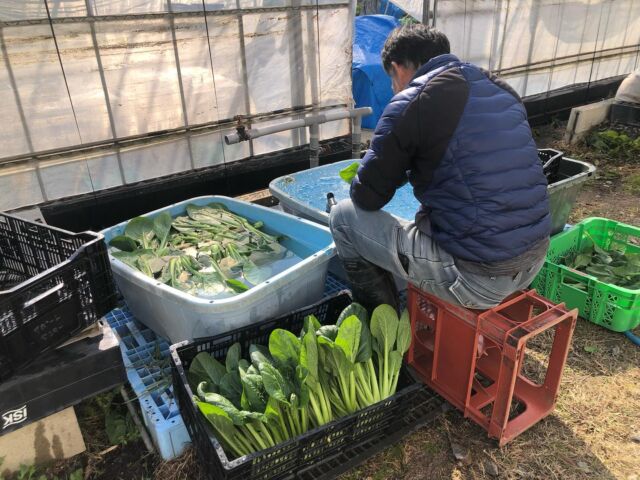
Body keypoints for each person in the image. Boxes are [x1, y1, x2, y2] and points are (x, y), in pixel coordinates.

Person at [329, 24, 550, 312]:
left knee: (343, 218)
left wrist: (381, 159)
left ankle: (383, 324)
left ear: (397, 68)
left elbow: (367, 197)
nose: (394, 88)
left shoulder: (412, 101)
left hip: (478, 277)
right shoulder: (498, 88)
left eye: (392, 80)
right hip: (534, 257)